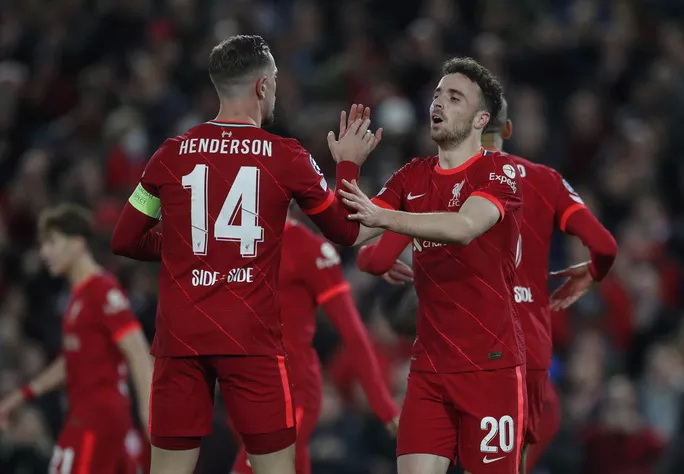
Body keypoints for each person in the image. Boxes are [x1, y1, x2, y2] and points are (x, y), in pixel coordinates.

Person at [110, 34, 380, 474]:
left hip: (180, 339)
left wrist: (185, 250)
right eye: (274, 81)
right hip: (250, 340)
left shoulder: (170, 154)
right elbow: (347, 232)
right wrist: (348, 164)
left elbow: (123, 239)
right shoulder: (286, 156)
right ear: (262, 86)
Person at [356, 98, 619, 472]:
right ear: (507, 129)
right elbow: (605, 246)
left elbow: (377, 258)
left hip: (471, 350)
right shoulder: (546, 180)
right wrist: (592, 272)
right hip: (530, 354)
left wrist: (369, 261)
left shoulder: (445, 182)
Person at [340, 57, 526, 474]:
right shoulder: (413, 176)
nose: (438, 102)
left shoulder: (501, 171)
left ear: (481, 119)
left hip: (489, 366)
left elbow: (464, 227)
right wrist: (348, 167)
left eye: (455, 97)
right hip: (429, 368)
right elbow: (350, 231)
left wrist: (384, 221)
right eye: (438, 94)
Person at [231, 217, 399, 474]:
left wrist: (384, 407)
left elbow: (353, 333)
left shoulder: (308, 249)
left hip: (293, 394)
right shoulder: (231, 242)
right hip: (250, 393)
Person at [0, 203, 153, 474]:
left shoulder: (102, 291)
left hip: (97, 419)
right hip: (92, 416)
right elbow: (73, 360)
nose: (44, 253)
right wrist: (23, 395)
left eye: (52, 242)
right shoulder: (77, 297)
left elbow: (138, 351)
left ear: (78, 244)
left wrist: (149, 413)